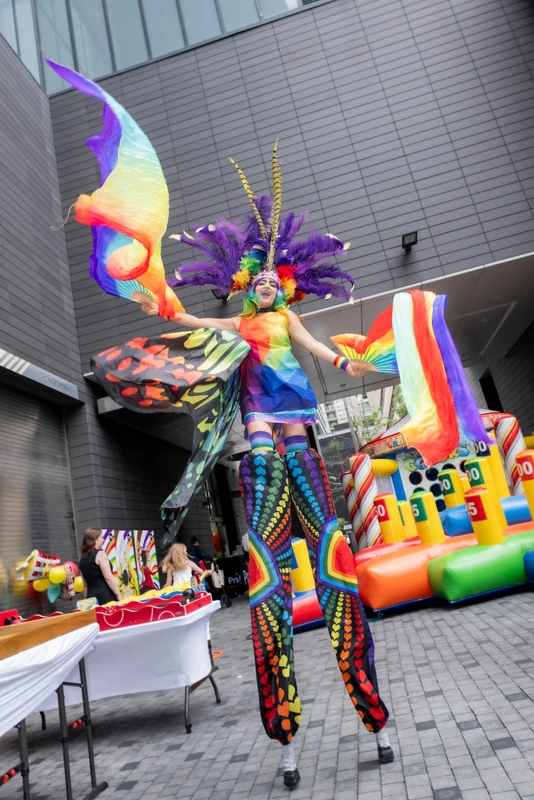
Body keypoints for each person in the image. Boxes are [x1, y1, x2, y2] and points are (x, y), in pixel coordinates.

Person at [49, 61, 393, 791]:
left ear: (286, 280)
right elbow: (196, 321)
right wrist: (165, 309)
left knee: (334, 566)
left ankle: (367, 705)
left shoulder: (286, 317)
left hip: (301, 439)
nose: (266, 284)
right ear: (244, 281)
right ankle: (286, 732)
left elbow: (318, 349)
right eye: (256, 278)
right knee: (269, 584)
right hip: (264, 446)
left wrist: (352, 361)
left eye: (274, 278)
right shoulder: (238, 321)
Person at [79, 528, 120, 605]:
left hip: (91, 598)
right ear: (94, 540)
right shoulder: (100, 554)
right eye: (101, 537)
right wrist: (118, 594)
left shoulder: (82, 559)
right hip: (105, 595)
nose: (103, 540)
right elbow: (108, 577)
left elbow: (85, 585)